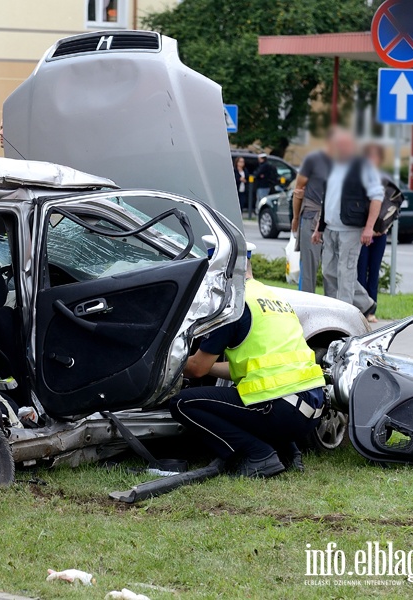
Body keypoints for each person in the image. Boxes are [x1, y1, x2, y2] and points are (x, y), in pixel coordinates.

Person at [170, 252, 326, 478]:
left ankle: (257, 455)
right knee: (244, 397)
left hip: (281, 408)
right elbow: (257, 367)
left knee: (183, 403)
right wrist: (211, 366)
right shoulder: (271, 297)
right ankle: (288, 453)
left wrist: (165, 360)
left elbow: (196, 369)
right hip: (310, 410)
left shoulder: (232, 304)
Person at [313, 128, 382, 317]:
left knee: (346, 272)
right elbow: (327, 199)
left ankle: (342, 317)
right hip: (330, 228)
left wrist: (369, 228)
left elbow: (377, 197)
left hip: (351, 229)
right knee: (329, 272)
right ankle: (365, 304)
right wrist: (319, 228)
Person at [291, 141, 332, 294]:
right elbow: (298, 190)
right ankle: (306, 306)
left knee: (331, 268)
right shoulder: (313, 160)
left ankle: (333, 308)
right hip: (312, 216)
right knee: (309, 266)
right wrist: (296, 218)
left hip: (334, 219)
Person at [356, 144, 389, 323]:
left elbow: (392, 204)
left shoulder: (384, 179)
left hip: (380, 234)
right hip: (363, 232)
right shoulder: (361, 180)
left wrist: (385, 226)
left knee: (373, 272)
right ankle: (361, 308)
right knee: (360, 271)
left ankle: (371, 310)